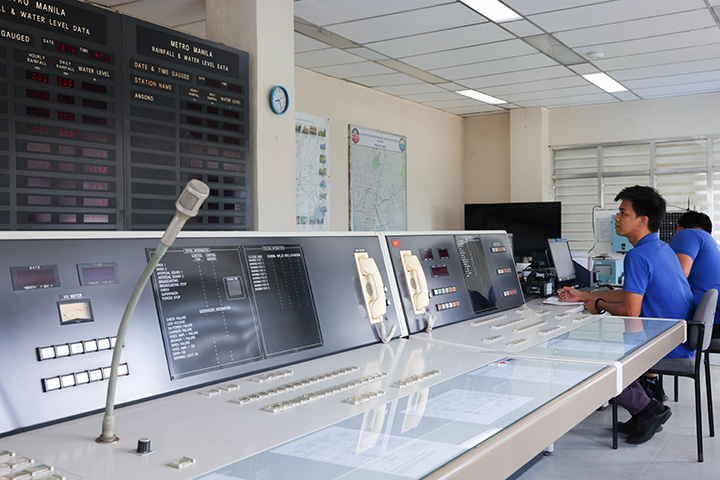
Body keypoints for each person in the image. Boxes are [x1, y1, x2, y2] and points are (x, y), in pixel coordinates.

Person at [557, 185, 695, 444]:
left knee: (589, 357)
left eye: (623, 213)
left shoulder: (637, 256)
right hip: (677, 337)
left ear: (642, 220)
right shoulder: (661, 249)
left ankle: (650, 410)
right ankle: (644, 410)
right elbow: (632, 296)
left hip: (664, 344)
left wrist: (598, 304)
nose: (616, 219)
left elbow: (631, 311)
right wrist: (585, 297)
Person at [670, 210, 720, 338]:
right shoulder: (711, 243)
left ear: (678, 227)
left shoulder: (686, 234)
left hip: (702, 320)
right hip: (712, 317)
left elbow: (679, 275)